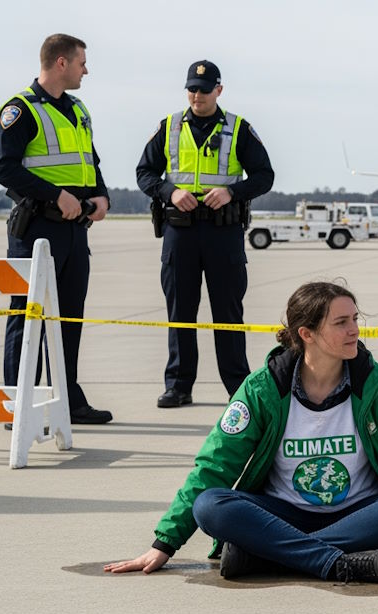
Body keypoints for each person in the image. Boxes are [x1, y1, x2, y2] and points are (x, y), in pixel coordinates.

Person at [105, 281, 378, 583]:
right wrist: (165, 542)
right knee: (212, 505)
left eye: (355, 319)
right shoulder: (262, 388)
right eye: (341, 322)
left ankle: (266, 554)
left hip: (361, 513)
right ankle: (340, 564)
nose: (355, 331)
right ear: (306, 334)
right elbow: (213, 467)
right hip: (282, 511)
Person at [136, 60, 275, 409]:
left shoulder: (238, 129)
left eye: (204, 88)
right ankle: (179, 386)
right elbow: (144, 173)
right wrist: (169, 192)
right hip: (179, 232)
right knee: (180, 311)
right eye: (192, 89)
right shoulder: (168, 127)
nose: (197, 95)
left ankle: (237, 389)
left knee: (228, 313)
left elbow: (264, 175)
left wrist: (234, 192)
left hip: (222, 231)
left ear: (219, 90)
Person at [0, 33, 112, 426]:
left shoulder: (78, 109)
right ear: (61, 63)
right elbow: (4, 169)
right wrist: (55, 195)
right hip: (36, 228)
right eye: (82, 62)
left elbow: (90, 160)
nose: (86, 70)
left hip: (75, 231)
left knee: (69, 318)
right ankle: (17, 403)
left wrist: (102, 196)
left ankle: (68, 399)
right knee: (26, 317)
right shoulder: (20, 109)